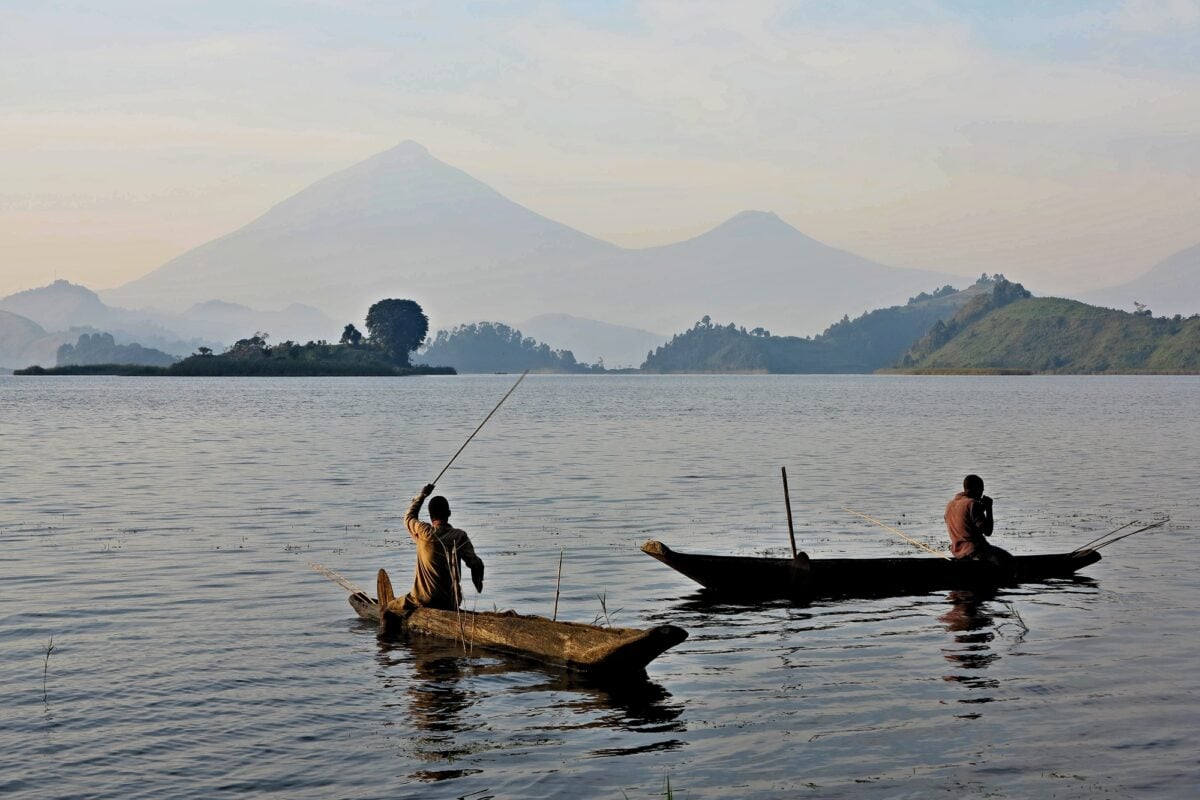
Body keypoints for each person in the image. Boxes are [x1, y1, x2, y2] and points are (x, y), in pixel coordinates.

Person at [398, 482, 485, 611]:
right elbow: (476, 564)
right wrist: (478, 582)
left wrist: (422, 496)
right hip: (450, 602)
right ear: (449, 513)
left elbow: (409, 516)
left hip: (422, 600)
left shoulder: (423, 532)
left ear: (430, 516)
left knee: (388, 609)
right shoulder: (459, 536)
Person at [944, 474, 1012, 566]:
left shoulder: (950, 505)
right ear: (978, 490)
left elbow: (965, 520)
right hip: (976, 551)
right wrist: (988, 508)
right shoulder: (972, 504)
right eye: (982, 491)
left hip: (958, 553)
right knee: (1010, 561)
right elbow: (988, 531)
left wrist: (981, 510)